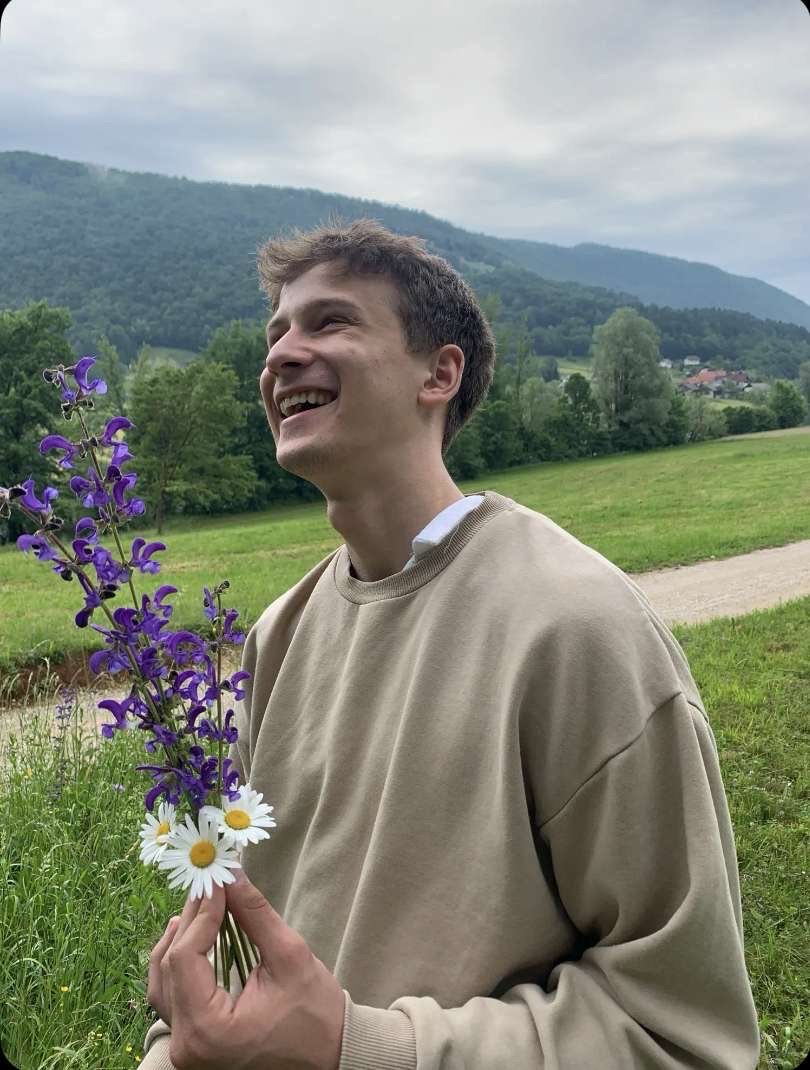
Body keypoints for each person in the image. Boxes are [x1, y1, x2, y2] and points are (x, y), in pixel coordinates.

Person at [140, 218, 760, 1069]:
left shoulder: (578, 628)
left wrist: (357, 1047)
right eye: (275, 334)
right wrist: (178, 1046)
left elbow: (680, 1031)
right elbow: (250, 940)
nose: (281, 355)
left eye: (330, 321)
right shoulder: (279, 635)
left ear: (440, 373)